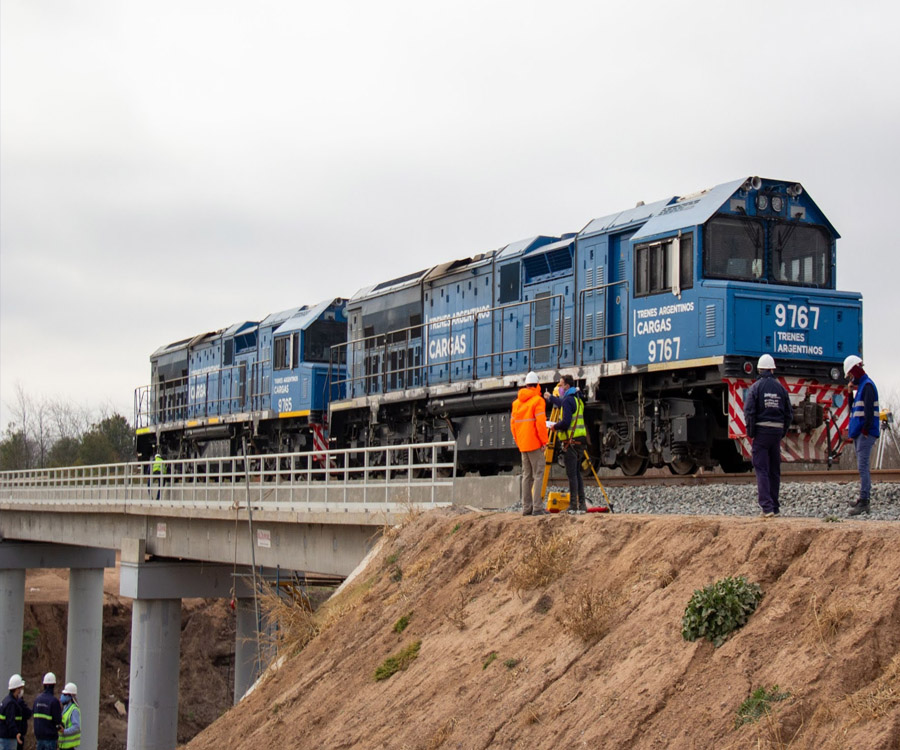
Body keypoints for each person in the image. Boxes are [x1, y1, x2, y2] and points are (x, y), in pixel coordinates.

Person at [744, 354, 793, 517]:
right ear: (772, 369)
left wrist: (751, 433)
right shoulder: (781, 389)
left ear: (759, 369)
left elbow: (749, 411)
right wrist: (782, 432)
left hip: (762, 433)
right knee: (774, 470)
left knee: (761, 469)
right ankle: (775, 506)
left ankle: (767, 508)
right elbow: (788, 414)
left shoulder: (756, 388)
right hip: (776, 434)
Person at [545, 374, 588, 514]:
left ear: (567, 386)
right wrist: (552, 398)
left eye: (561, 385)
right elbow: (562, 402)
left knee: (572, 474)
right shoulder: (577, 398)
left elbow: (566, 422)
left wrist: (554, 426)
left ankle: (573, 505)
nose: (560, 388)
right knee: (577, 473)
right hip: (580, 440)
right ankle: (582, 504)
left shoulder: (568, 400)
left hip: (571, 442)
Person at [844, 355, 880, 516]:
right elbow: (854, 410)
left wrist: (865, 430)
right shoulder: (862, 388)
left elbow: (869, 413)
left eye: (851, 375)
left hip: (865, 434)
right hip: (860, 433)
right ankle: (862, 498)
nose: (851, 379)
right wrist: (849, 394)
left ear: (855, 371)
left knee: (863, 467)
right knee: (862, 467)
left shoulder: (867, 386)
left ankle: (865, 502)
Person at [510, 371, 550, 516]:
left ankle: (527, 508)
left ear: (526, 385)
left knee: (527, 476)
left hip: (523, 445)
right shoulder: (538, 401)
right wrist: (544, 441)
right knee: (538, 473)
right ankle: (537, 508)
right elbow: (540, 424)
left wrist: (519, 441)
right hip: (534, 444)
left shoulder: (516, 403)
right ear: (537, 385)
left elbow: (512, 425)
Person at [32, 673, 62, 750]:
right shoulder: (54, 701)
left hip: (39, 739)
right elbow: (58, 720)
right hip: (50, 739)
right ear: (53, 685)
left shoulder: (37, 700)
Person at [1, 674, 30, 750]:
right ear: (17, 689)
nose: (21, 690)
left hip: (5, 738)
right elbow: (10, 721)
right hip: (9, 739)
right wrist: (16, 733)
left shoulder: (6, 701)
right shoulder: (11, 703)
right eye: (20, 688)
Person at [58, 684, 80, 750]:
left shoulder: (74, 710)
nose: (62, 696)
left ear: (71, 696)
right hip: (63, 745)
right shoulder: (65, 708)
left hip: (70, 747)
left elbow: (76, 727)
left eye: (65, 695)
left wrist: (64, 731)